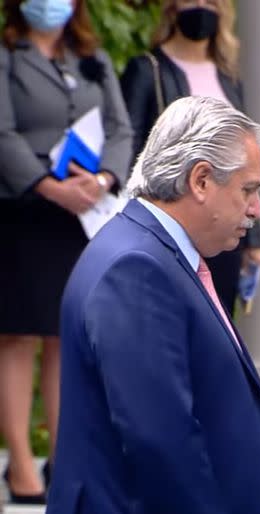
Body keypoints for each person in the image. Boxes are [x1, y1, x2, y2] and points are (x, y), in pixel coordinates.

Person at [45, 96, 260, 514]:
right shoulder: (136, 268)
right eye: (248, 190)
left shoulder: (152, 253)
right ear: (201, 180)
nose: (256, 209)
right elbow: (160, 441)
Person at [0, 0, 132, 504]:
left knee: (65, 334)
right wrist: (48, 186)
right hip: (25, 211)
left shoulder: (90, 57)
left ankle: (63, 457)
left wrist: (102, 180)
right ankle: (20, 466)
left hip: (84, 215)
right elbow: (3, 132)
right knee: (18, 336)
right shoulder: (8, 56)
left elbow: (121, 128)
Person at [120, 0, 260, 314]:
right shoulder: (147, 70)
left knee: (218, 323)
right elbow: (128, 151)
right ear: (171, 6)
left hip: (225, 229)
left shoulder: (229, 78)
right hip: (173, 225)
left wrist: (254, 238)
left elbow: (246, 163)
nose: (201, 6)